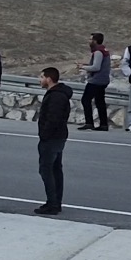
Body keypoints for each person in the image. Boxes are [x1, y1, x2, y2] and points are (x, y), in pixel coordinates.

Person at [36, 67, 73, 215]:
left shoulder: (56, 96)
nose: (40, 80)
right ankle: (55, 201)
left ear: (49, 79)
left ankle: (52, 203)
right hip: (58, 137)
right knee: (56, 169)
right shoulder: (58, 94)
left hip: (52, 138)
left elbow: (53, 118)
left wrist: (44, 135)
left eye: (41, 77)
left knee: (47, 170)